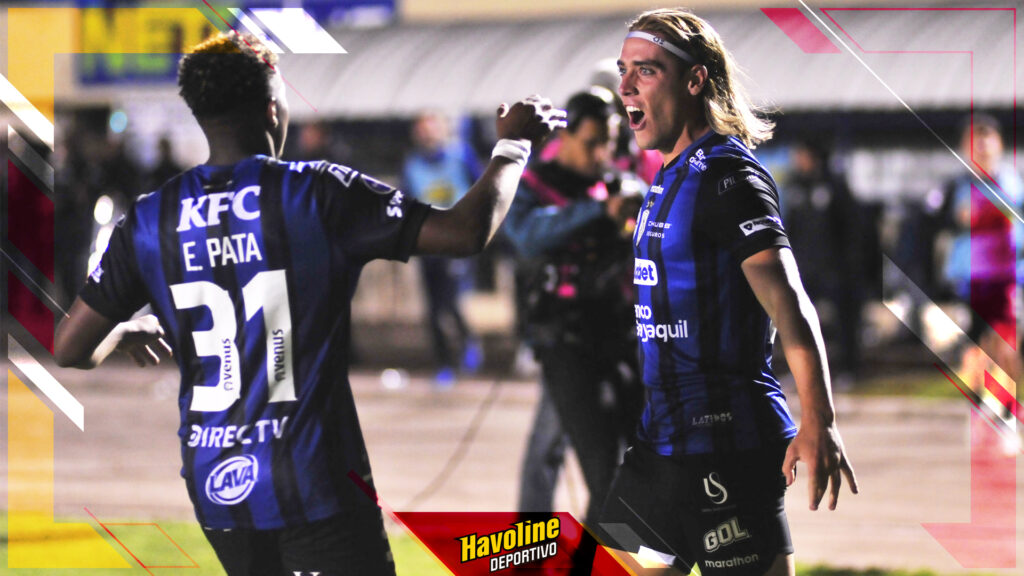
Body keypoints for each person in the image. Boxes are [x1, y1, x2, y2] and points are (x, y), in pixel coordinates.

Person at [53, 31, 565, 576]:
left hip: (216, 483)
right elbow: (465, 232)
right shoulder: (315, 192)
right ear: (272, 109)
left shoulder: (151, 217)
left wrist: (124, 332)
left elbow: (69, 348)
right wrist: (513, 147)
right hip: (314, 479)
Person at [597, 9, 857, 576]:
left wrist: (819, 419)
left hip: (725, 444)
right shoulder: (667, 175)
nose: (626, 87)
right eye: (623, 71)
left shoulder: (728, 177)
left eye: (646, 71)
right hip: (661, 442)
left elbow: (788, 302)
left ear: (695, 80)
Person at [505, 88, 644, 524]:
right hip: (563, 341)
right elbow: (526, 235)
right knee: (577, 461)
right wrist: (599, 211)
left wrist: (635, 205)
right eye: (591, 143)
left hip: (618, 337)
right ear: (564, 137)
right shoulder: (534, 183)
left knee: (633, 470)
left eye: (608, 143)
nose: (601, 154)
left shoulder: (616, 184)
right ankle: (530, 542)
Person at [938, 114, 1023, 402]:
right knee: (974, 345)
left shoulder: (1013, 183)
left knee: (1006, 343)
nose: (983, 147)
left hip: (1006, 277)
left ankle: (1009, 402)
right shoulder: (956, 187)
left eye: (988, 140)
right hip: (970, 279)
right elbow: (941, 224)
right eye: (976, 141)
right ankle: (979, 400)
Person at [402, 111, 484, 384]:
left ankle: (468, 344)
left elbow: (481, 187)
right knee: (433, 308)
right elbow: (406, 200)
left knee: (452, 301)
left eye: (431, 128)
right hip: (427, 242)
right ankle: (444, 364)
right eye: (422, 130)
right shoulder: (412, 164)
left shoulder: (460, 155)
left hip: (456, 239)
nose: (427, 134)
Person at [782, 140, 864, 381]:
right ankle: (800, 371)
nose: (798, 160)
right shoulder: (795, 187)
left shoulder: (835, 186)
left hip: (834, 268)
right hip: (803, 267)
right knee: (797, 321)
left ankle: (847, 369)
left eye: (802, 155)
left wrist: (849, 264)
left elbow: (851, 229)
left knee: (843, 320)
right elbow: (789, 228)